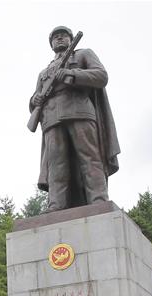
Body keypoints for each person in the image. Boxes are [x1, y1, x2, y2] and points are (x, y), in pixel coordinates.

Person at [30, 25, 120, 212]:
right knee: (56, 163)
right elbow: (35, 99)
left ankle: (98, 200)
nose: (60, 39)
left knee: (89, 156)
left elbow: (101, 76)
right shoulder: (43, 73)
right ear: (51, 44)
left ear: (71, 40)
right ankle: (56, 204)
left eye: (64, 36)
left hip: (79, 110)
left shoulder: (83, 54)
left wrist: (71, 73)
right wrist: (35, 99)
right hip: (51, 117)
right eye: (56, 37)